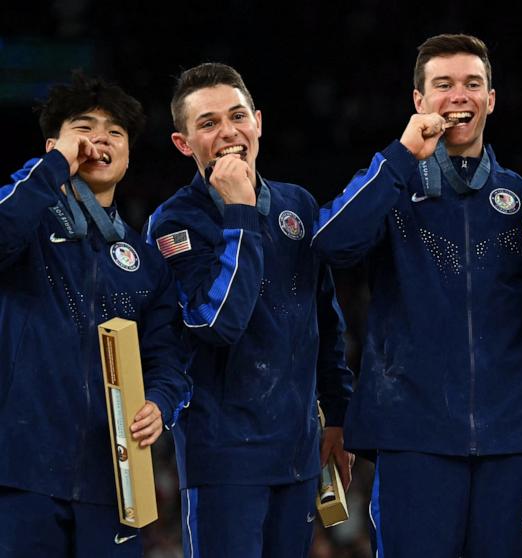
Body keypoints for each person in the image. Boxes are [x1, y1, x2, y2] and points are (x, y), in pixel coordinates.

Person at [311, 34, 522, 557]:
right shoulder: (392, 190)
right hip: (412, 436)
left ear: (491, 99)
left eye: (472, 84)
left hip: (514, 439)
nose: (458, 95)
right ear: (419, 102)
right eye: (443, 85)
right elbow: (332, 245)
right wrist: (401, 157)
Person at [146, 63, 354, 557]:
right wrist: (239, 213)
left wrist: (339, 415)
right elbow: (218, 323)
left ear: (258, 121)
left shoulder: (297, 205)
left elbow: (325, 321)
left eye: (237, 116)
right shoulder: (173, 223)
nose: (228, 132)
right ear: (183, 143)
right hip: (224, 461)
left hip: (298, 455)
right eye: (208, 123)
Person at [0, 73, 191, 557]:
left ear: (127, 155)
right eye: (84, 128)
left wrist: (161, 404)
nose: (100, 140)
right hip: (19, 473)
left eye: (115, 133)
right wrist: (52, 168)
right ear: (54, 145)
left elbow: (169, 358)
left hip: (114, 485)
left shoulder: (145, 262)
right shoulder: (27, 228)